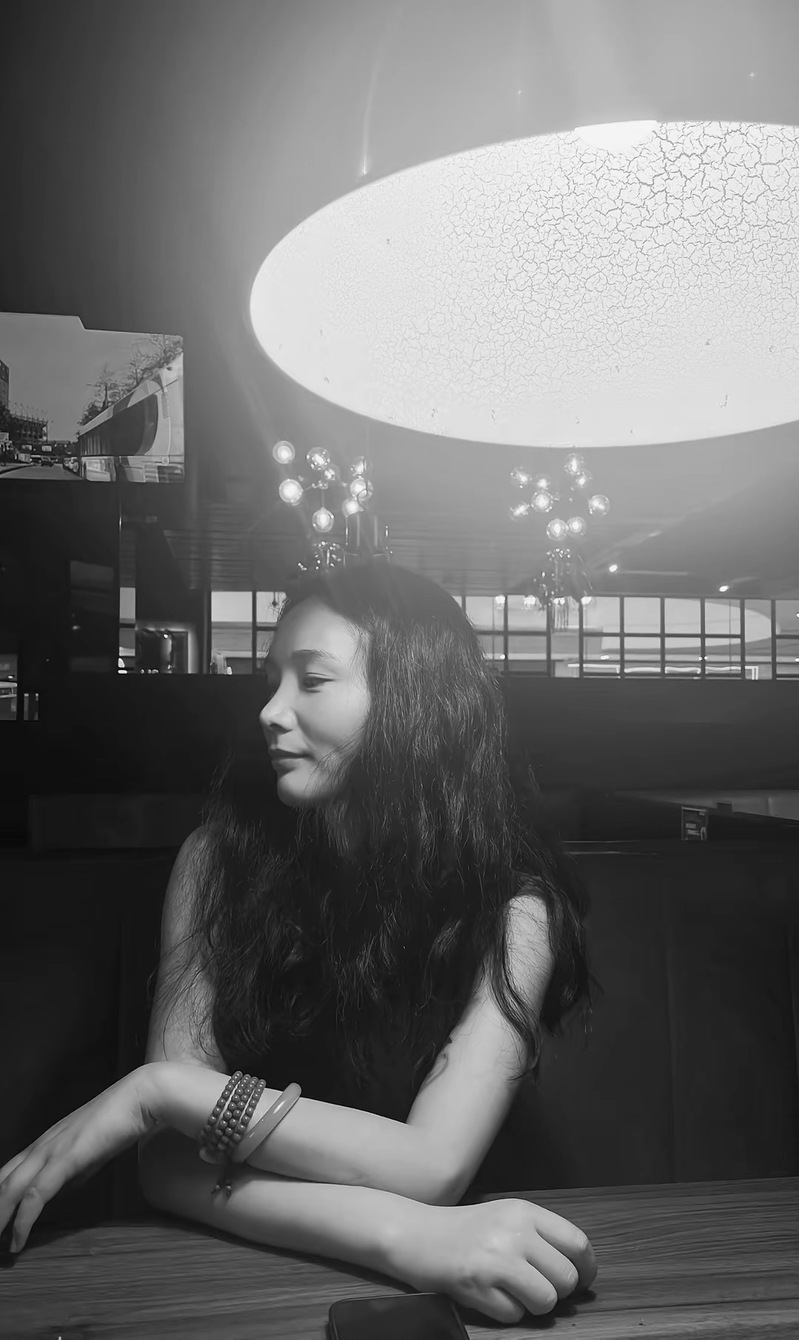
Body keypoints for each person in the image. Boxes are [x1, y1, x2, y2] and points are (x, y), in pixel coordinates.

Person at [0, 560, 597, 1324]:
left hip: (486, 1276)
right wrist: (405, 1237)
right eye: (271, 680)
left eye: (311, 680)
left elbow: (432, 1166)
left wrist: (163, 1091)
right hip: (259, 1276)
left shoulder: (513, 904)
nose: (270, 711)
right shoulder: (216, 861)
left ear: (413, 702)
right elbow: (169, 1167)